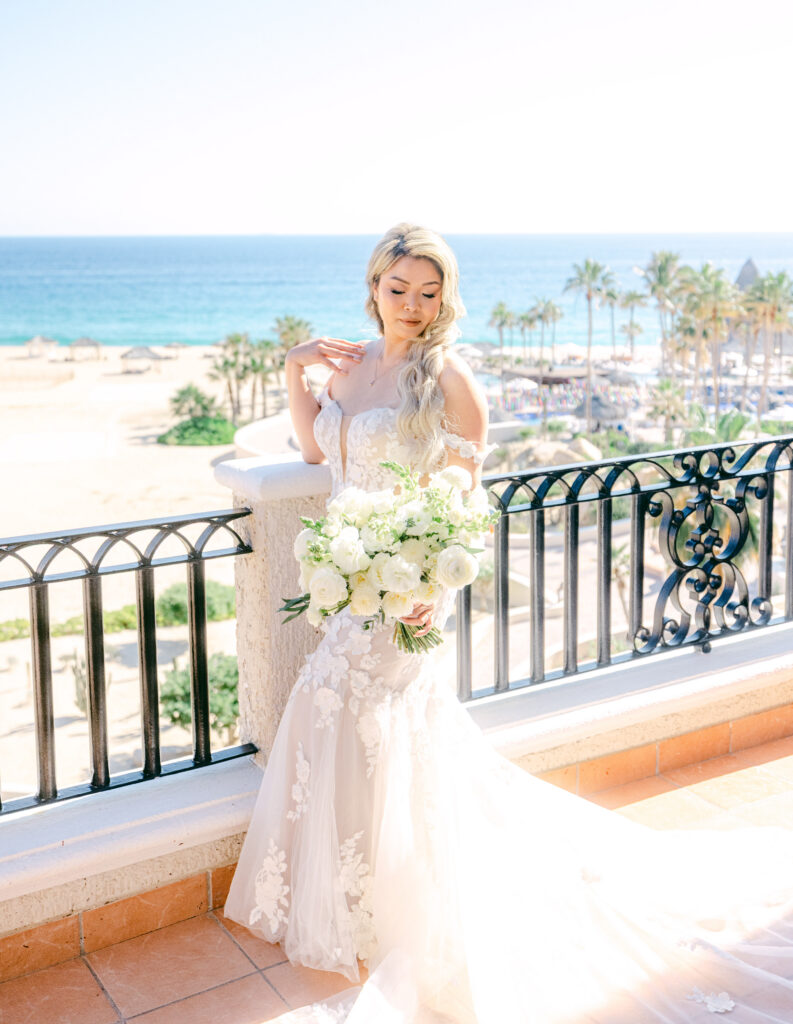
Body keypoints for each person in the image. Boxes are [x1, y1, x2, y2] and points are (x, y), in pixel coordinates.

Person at [223, 224, 793, 1022]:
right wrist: (295, 370)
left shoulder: (447, 374)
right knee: (336, 710)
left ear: (442, 297)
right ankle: (349, 895)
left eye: (428, 292)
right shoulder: (350, 366)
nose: (412, 306)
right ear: (373, 286)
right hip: (352, 581)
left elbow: (463, 492)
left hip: (411, 587)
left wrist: (424, 582)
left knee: (391, 726)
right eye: (398, 290)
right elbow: (318, 457)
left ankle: (413, 899)